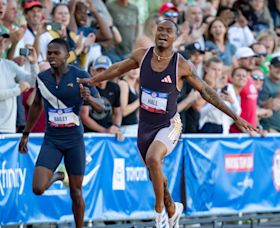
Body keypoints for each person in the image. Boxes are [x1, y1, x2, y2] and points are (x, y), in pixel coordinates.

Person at [78, 19, 256, 228]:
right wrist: (92, 80)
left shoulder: (181, 65)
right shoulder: (141, 56)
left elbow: (206, 91)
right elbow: (118, 68)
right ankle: (173, 208)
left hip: (170, 125)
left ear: (175, 36)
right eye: (160, 29)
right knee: (156, 175)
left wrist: (235, 116)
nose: (163, 33)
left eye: (168, 31)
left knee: (154, 159)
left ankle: (159, 213)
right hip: (144, 126)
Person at [18, 38, 103, 228]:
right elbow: (37, 105)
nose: (52, 56)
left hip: (74, 141)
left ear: (67, 55)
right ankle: (57, 176)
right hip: (52, 140)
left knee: (76, 192)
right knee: (38, 188)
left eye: (57, 53)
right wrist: (26, 133)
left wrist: (89, 99)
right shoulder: (42, 78)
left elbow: (101, 106)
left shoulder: (80, 75)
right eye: (49, 53)